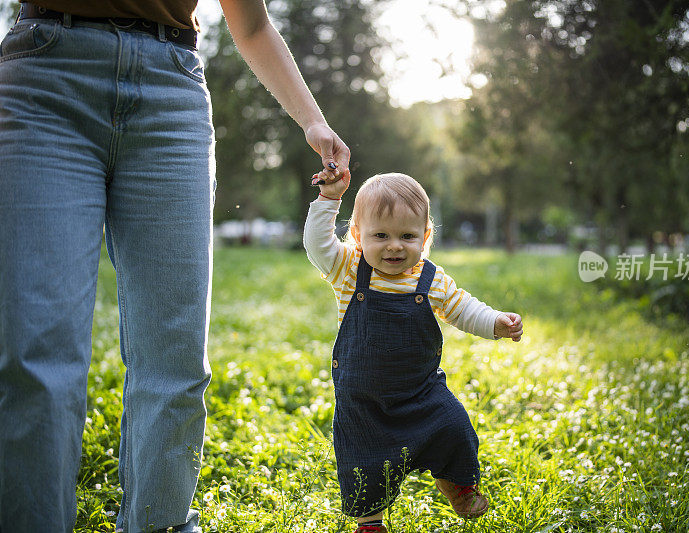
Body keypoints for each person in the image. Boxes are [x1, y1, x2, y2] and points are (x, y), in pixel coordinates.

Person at [0, 1, 350, 532]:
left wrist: (314, 121)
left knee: (176, 361)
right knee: (36, 356)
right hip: (46, 76)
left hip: (171, 92)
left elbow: (250, 23)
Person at [303, 172, 523, 533]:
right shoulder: (347, 268)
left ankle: (457, 485)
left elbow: (464, 308)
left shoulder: (430, 279)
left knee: (454, 427)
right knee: (362, 460)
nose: (394, 246)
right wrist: (329, 199)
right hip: (363, 398)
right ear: (358, 236)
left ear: (426, 237)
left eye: (407, 236)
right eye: (381, 236)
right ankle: (369, 521)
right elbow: (317, 243)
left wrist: (496, 322)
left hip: (421, 390)